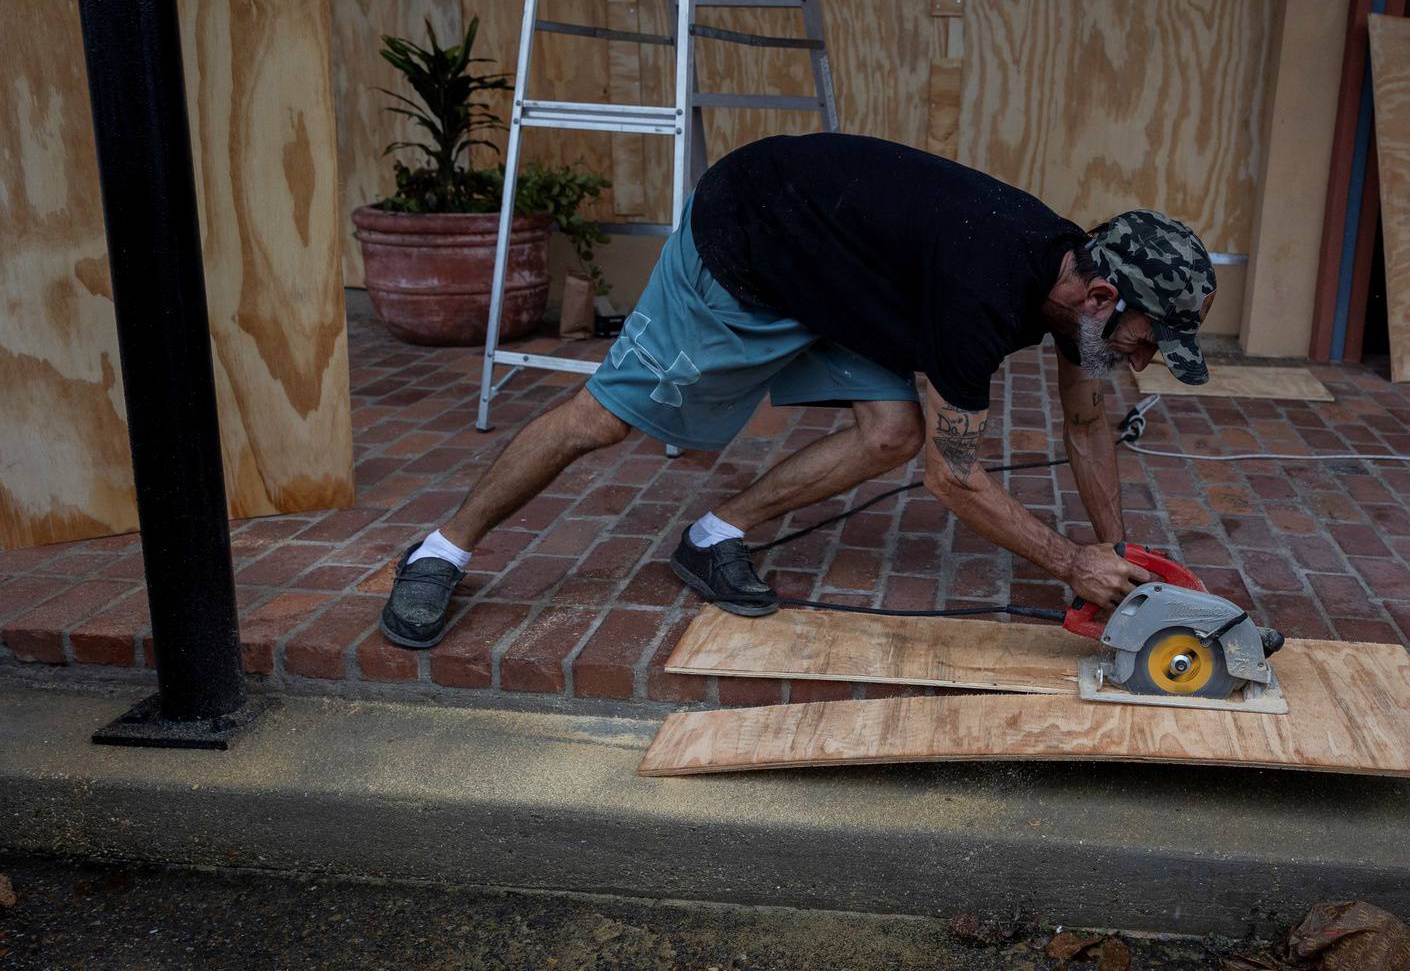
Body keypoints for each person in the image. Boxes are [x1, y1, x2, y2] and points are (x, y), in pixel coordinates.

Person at [378, 132, 1217, 649]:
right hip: (749, 242)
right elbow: (954, 478)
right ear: (1105, 299)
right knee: (602, 420)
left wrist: (1124, 561)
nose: (1137, 364)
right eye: (1145, 345)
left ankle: (715, 536)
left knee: (890, 429)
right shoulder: (983, 298)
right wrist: (1072, 562)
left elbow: (1089, 422)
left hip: (843, 273)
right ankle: (441, 550)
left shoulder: (1076, 285)